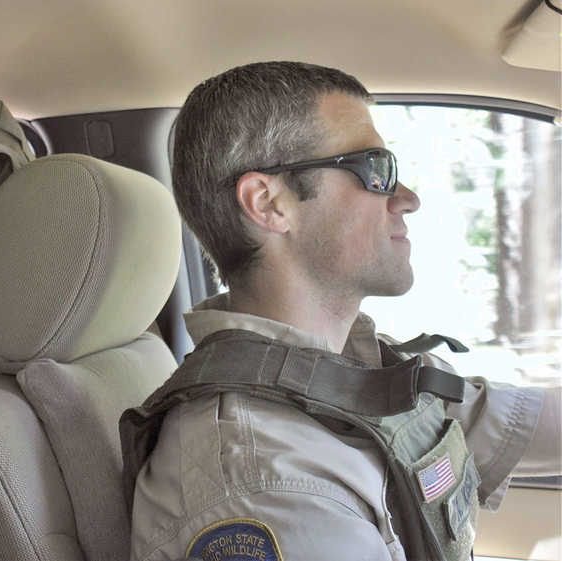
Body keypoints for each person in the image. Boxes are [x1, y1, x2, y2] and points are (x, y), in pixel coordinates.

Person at [121, 61, 561, 561]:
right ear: (269, 204)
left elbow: (520, 425)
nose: (408, 198)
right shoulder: (265, 481)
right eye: (376, 169)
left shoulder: (360, 371)